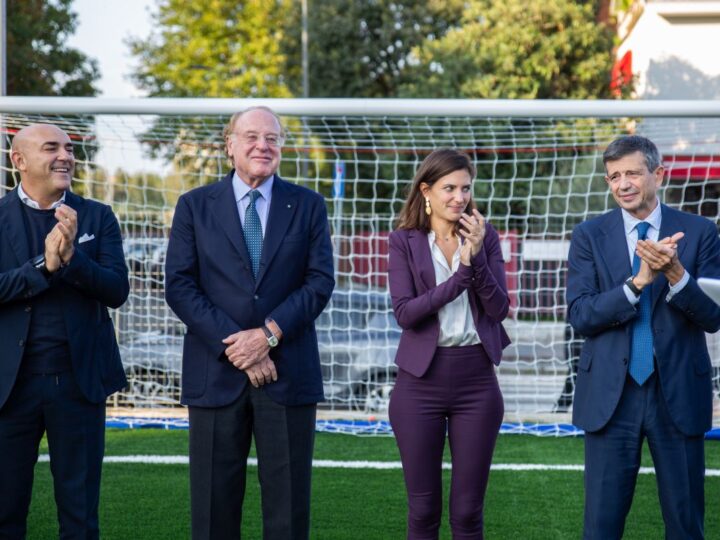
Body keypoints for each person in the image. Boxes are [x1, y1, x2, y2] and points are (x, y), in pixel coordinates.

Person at [165, 106, 335, 540]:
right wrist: (237, 347)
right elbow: (180, 287)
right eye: (252, 136)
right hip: (216, 374)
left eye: (273, 138)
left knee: (288, 511)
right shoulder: (194, 206)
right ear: (230, 145)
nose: (264, 145)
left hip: (289, 372)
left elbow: (319, 282)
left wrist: (268, 335)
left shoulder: (309, 205)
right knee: (212, 511)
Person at [567, 135, 720, 539]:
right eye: (614, 176)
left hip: (679, 396)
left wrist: (675, 275)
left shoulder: (700, 232)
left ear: (658, 174)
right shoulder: (588, 235)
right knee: (600, 527)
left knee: (686, 525)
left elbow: (714, 316)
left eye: (632, 173)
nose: (623, 184)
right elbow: (580, 315)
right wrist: (636, 285)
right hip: (610, 399)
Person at [0, 124, 129, 538]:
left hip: (79, 383)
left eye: (70, 148)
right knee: (5, 509)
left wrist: (73, 257)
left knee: (79, 514)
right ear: (18, 160)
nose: (65, 156)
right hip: (9, 386)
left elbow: (117, 290)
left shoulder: (96, 215)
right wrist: (45, 267)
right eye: (51, 147)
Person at [388, 149, 510, 539]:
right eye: (449, 188)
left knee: (468, 513)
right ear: (426, 190)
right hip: (418, 382)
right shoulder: (403, 241)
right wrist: (462, 274)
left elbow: (499, 307)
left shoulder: (484, 236)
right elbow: (406, 313)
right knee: (423, 511)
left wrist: (476, 259)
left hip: (476, 381)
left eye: (465, 188)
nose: (459, 197)